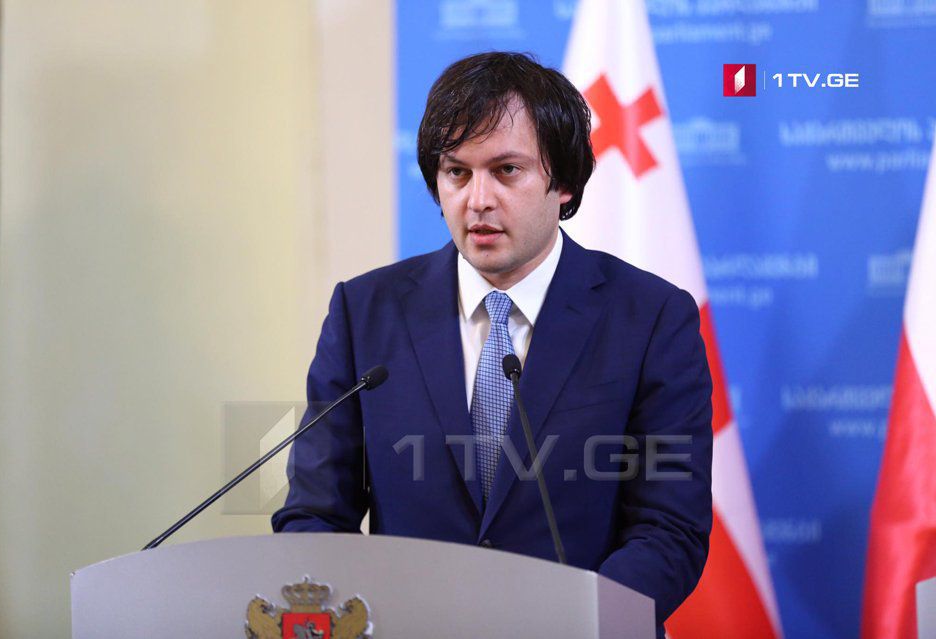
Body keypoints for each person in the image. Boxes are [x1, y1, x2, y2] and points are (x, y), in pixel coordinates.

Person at [272, 51, 713, 630]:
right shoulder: (365, 313)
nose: (477, 199)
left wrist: (574, 624)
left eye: (506, 170)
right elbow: (314, 515)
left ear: (563, 182)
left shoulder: (650, 317)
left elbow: (669, 528)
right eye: (457, 172)